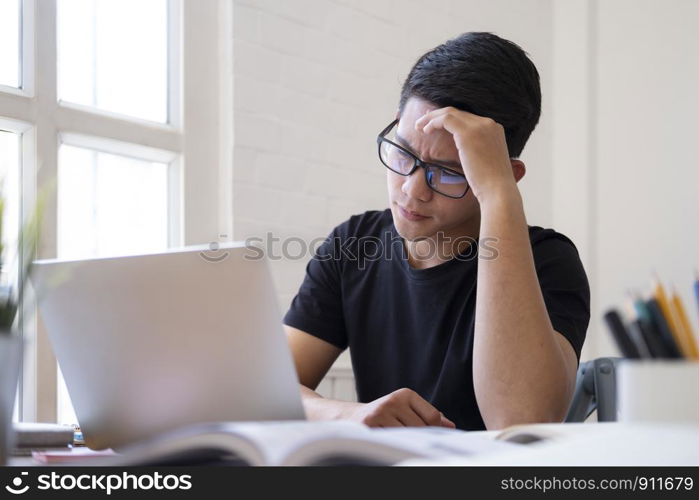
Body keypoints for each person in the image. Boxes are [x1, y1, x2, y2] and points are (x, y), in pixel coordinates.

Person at [282, 32, 590, 431]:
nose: (412, 189)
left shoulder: (549, 260)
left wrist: (499, 197)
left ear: (504, 176)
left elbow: (519, 421)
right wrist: (348, 413)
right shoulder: (354, 245)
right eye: (404, 152)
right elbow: (266, 392)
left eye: (447, 173)